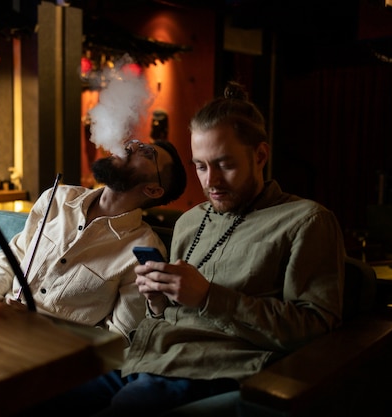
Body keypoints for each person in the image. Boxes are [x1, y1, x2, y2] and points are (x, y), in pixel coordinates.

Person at [26, 82, 345, 416]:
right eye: (201, 166)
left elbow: (315, 330)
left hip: (218, 367)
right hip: (149, 357)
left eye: (225, 164)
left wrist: (208, 297)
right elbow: (165, 315)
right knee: (37, 392)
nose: (211, 182)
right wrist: (157, 300)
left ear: (260, 155)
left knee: (125, 407)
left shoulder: (307, 221)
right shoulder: (190, 221)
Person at [0, 139, 187, 342]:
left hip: (50, 353)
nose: (131, 147)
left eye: (148, 153)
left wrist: (40, 326)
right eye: (136, 143)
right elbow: (14, 255)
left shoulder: (143, 249)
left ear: (153, 190)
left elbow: (118, 337)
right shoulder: (56, 198)